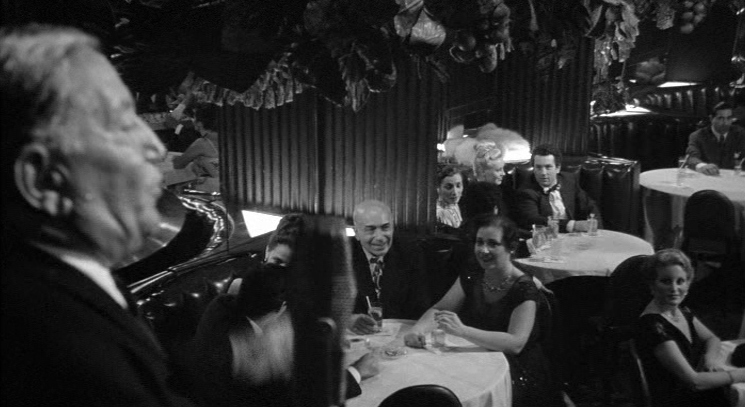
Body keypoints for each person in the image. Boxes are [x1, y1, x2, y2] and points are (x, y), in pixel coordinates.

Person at [1, 25, 196, 406]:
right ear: (43, 180)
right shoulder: (51, 350)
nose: (156, 147)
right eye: (124, 123)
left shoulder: (68, 287)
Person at [182, 213, 379, 407]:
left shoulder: (293, 305)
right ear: (267, 253)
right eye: (278, 263)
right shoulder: (224, 316)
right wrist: (355, 373)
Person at [403, 214, 562, 407]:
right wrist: (417, 330)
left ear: (510, 248)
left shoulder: (523, 287)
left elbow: (515, 343)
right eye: (479, 242)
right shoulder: (473, 272)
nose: (483, 250)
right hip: (478, 355)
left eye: (493, 244)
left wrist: (462, 331)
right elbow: (440, 308)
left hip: (516, 369)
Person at [634, 249, 745, 407]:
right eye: (666, 281)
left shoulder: (680, 311)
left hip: (695, 391)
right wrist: (741, 374)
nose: (674, 288)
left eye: (680, 281)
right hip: (679, 399)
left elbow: (712, 338)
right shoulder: (654, 326)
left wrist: (709, 359)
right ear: (651, 284)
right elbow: (694, 382)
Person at [349, 199, 431, 334]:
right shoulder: (343, 256)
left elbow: (421, 307)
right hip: (357, 336)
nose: (380, 237)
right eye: (371, 229)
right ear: (357, 233)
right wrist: (348, 320)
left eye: (385, 227)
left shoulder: (410, 253)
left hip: (399, 336)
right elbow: (324, 306)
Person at [514, 144, 601, 233]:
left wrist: (595, 226)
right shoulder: (526, 191)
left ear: (558, 168)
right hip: (548, 238)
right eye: (538, 167)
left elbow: (589, 205)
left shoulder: (569, 180)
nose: (543, 173)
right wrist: (572, 225)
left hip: (575, 237)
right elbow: (534, 220)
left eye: (548, 167)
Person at [685, 101, 745, 175]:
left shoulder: (741, 134)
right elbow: (691, 158)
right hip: (709, 178)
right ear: (711, 118)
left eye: (729, 118)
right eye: (720, 118)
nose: (725, 123)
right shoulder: (698, 136)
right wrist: (702, 166)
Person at [172, 104, 220, 193]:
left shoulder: (202, 143)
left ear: (200, 123)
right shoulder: (231, 137)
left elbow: (178, 164)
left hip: (212, 188)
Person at [435, 164, 464, 229]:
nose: (455, 192)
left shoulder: (454, 205)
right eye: (449, 187)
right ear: (438, 188)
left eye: (458, 186)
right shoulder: (441, 213)